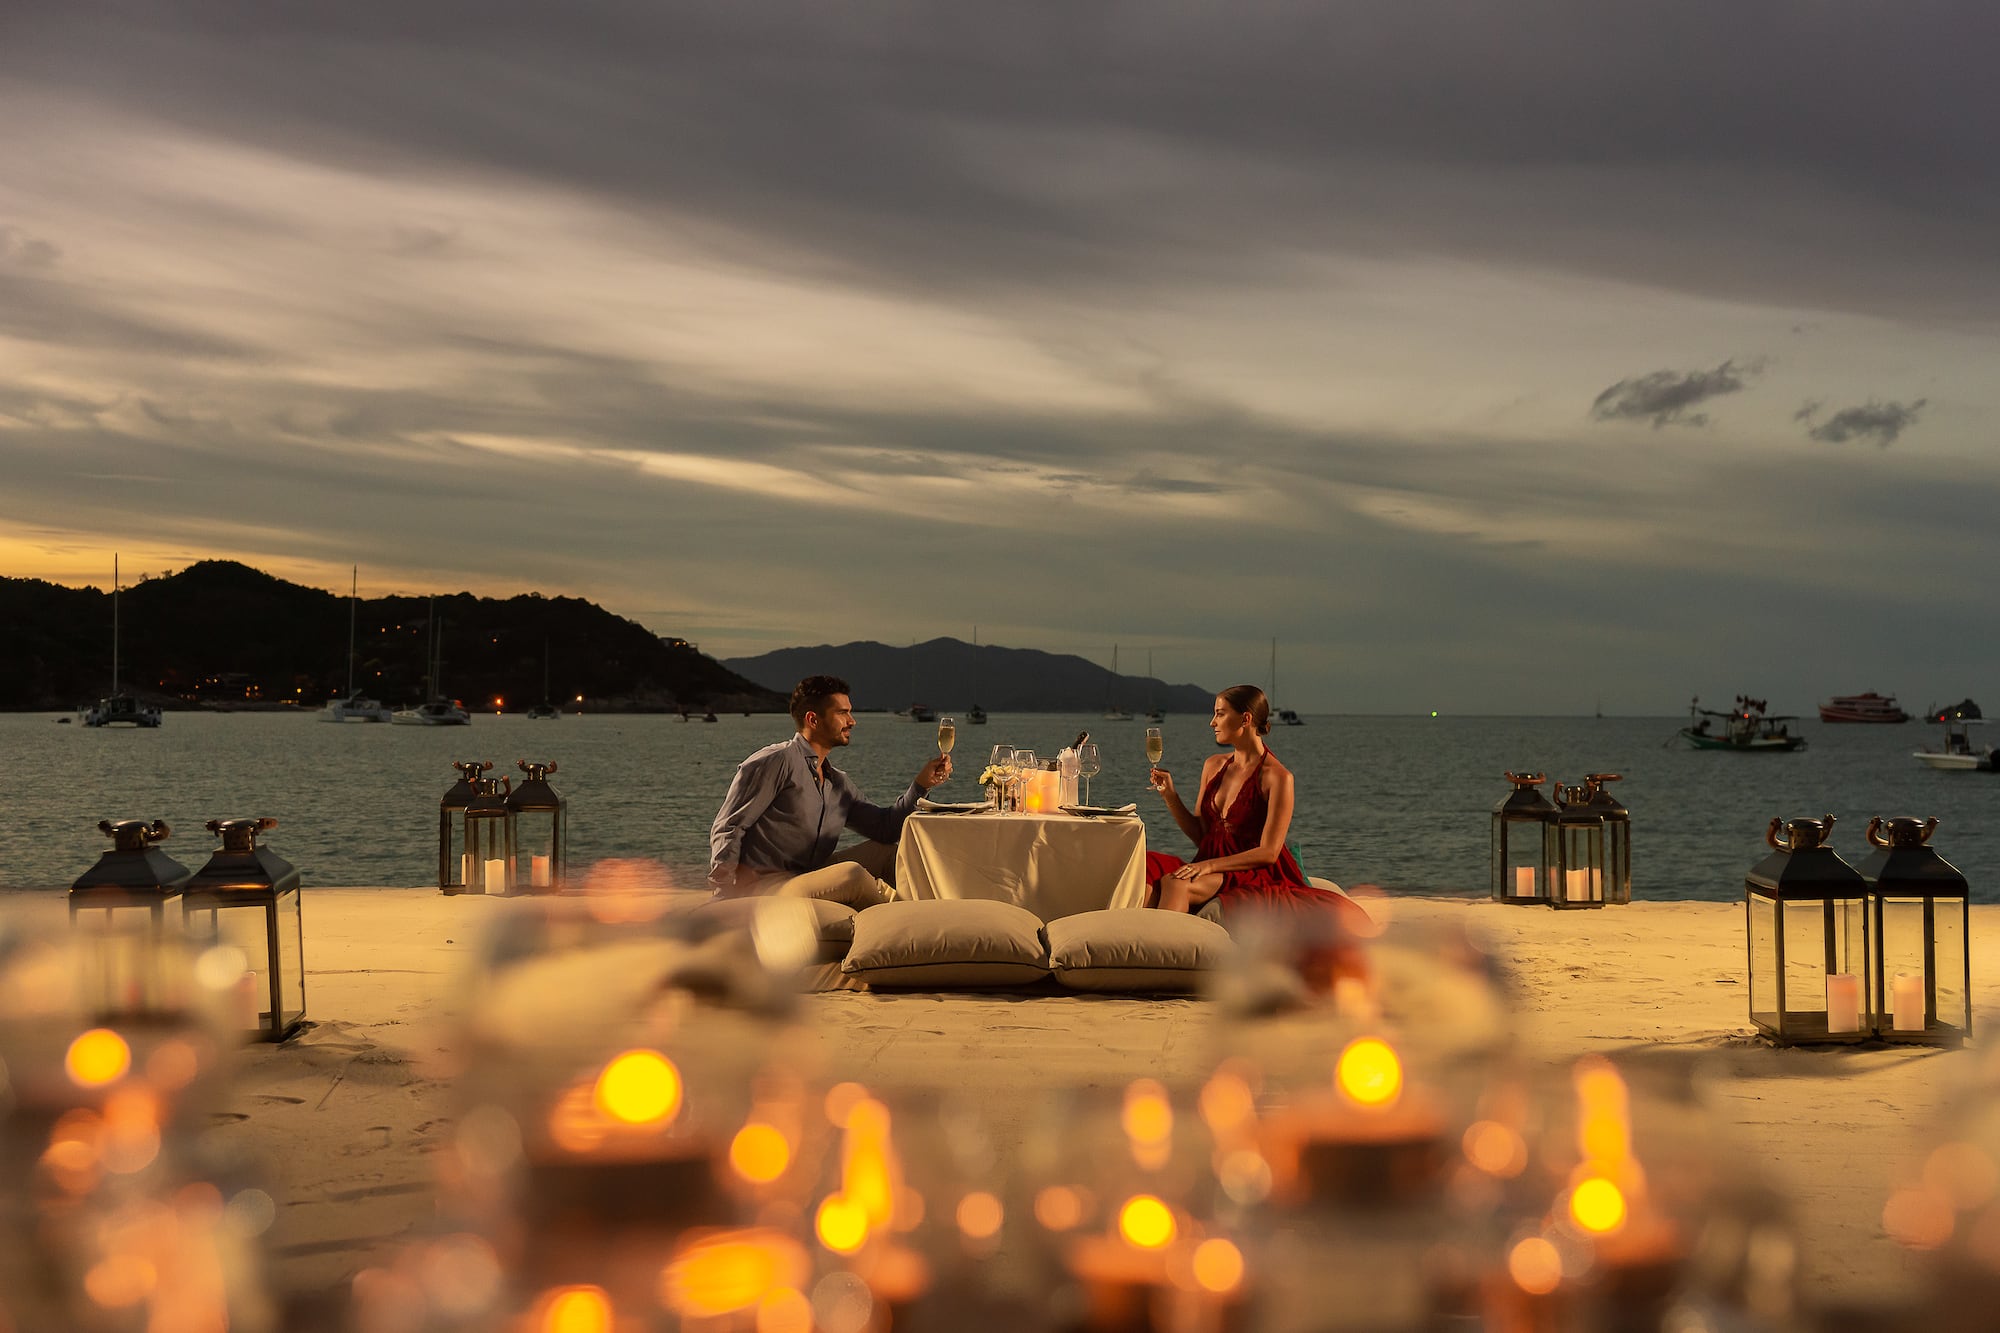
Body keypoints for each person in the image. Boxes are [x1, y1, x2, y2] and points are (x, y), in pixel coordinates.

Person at [1145, 685, 1369, 934]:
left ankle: (1163, 949)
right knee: (1144, 864)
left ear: (1246, 718)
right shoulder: (1213, 766)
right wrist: (1170, 796)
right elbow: (1202, 835)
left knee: (1176, 883)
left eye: (1220, 714)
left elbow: (1269, 853)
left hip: (1253, 872)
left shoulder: (1278, 777)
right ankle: (1133, 944)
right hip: (1210, 866)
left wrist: (1209, 866)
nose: (1212, 722)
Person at [709, 675, 952, 902]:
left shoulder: (837, 782)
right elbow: (729, 827)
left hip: (809, 876)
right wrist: (724, 894)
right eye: (843, 713)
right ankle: (903, 918)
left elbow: (885, 829)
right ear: (813, 719)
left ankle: (921, 921)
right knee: (852, 875)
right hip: (767, 886)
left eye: (850, 712)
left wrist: (921, 785)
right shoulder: (777, 761)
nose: (852, 721)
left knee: (889, 853)